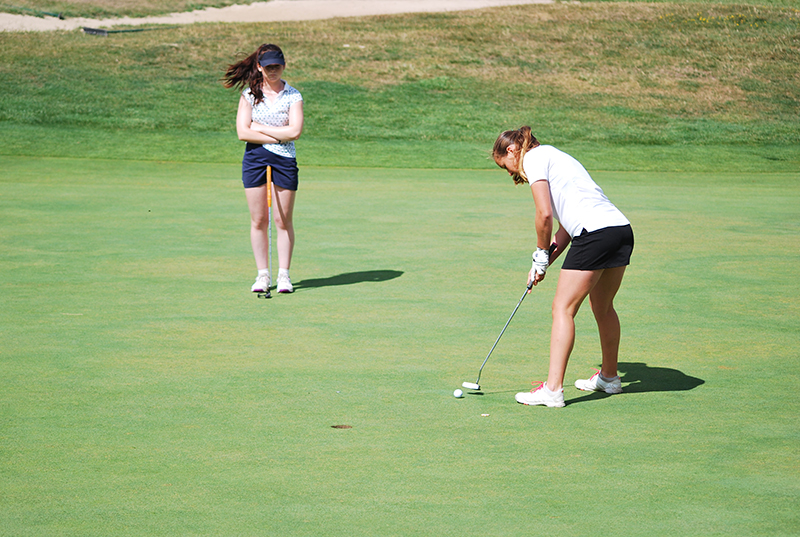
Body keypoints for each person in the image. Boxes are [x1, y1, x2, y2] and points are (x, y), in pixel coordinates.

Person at [492, 127, 634, 408]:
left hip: (594, 234)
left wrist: (540, 253)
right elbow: (565, 230)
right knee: (603, 307)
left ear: (512, 150)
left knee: (562, 309)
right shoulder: (556, 157)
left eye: (504, 166)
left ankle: (553, 390)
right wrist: (541, 264)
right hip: (619, 230)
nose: (509, 174)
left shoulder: (532, 158)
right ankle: (609, 377)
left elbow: (543, 214)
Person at [223, 43, 304, 294]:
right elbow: (241, 132)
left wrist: (259, 128)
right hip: (255, 158)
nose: (273, 71)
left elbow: (295, 132)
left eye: (277, 66)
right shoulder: (249, 95)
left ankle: (284, 275)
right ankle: (262, 275)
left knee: (282, 219)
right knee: (259, 219)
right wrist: (277, 135)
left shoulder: (294, 96)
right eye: (268, 67)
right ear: (259, 67)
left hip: (284, 160)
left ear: (284, 66)